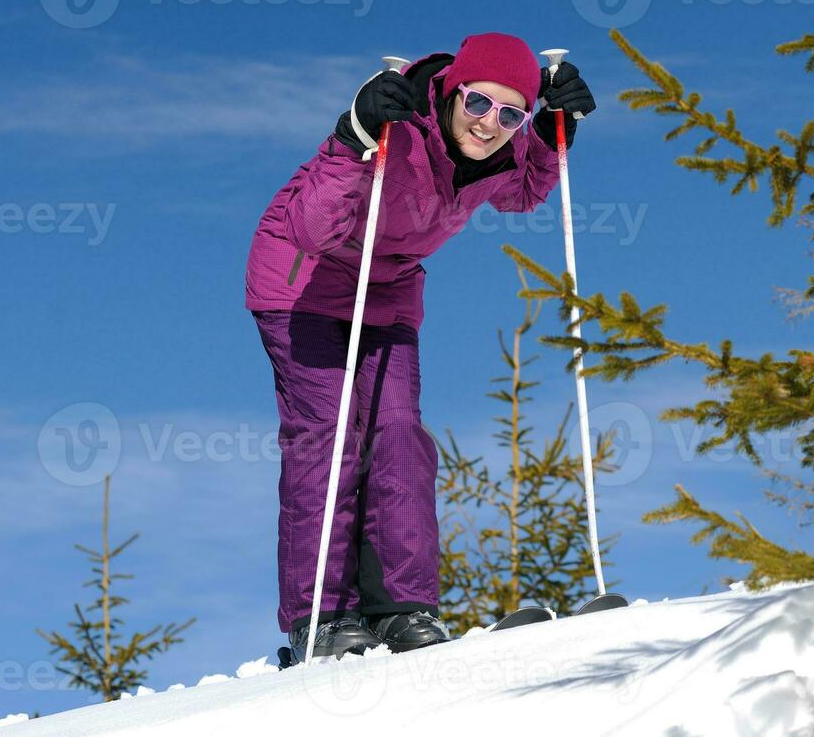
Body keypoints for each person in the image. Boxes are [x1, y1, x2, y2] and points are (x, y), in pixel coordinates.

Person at [244, 32, 596, 660]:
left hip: (388, 292)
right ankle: (322, 619)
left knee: (401, 435)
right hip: (303, 283)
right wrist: (354, 134)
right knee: (328, 439)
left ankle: (401, 610)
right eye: (480, 104)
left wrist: (549, 134)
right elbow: (311, 227)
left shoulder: (498, 153)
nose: (491, 125)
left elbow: (523, 190)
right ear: (454, 90)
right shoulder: (396, 125)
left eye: (512, 114)